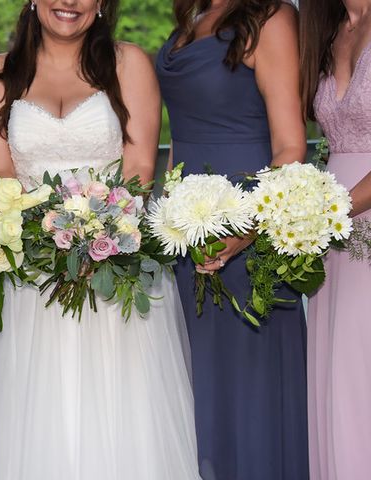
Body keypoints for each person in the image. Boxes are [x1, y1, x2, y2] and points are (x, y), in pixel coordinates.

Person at [0, 1, 200, 479]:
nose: (69, 3)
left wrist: (101, 236)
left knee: (122, 406)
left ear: (101, 5)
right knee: (41, 404)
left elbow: (139, 169)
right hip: (34, 277)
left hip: (116, 264)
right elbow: (0, 178)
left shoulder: (127, 63)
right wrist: (52, 242)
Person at [156, 1, 309, 478]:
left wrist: (244, 233)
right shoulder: (191, 17)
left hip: (247, 232)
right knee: (203, 385)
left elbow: (291, 147)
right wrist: (168, 216)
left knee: (250, 390)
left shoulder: (271, 17)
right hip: (188, 231)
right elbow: (180, 138)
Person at [300, 0, 371, 477]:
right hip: (334, 234)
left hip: (346, 214)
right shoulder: (323, 28)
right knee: (340, 372)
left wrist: (331, 213)